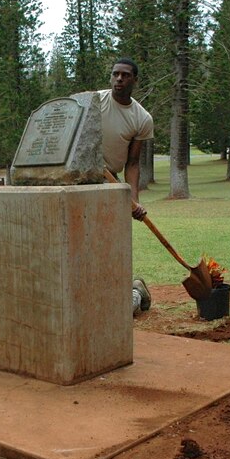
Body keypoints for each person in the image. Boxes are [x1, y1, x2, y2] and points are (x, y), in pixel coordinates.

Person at [99, 58, 155, 315]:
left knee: (112, 243)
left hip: (110, 181)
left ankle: (132, 291)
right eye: (115, 74)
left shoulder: (141, 118)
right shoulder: (94, 102)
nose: (119, 79)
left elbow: (132, 163)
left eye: (125, 75)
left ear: (134, 80)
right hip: (79, 179)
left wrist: (133, 200)